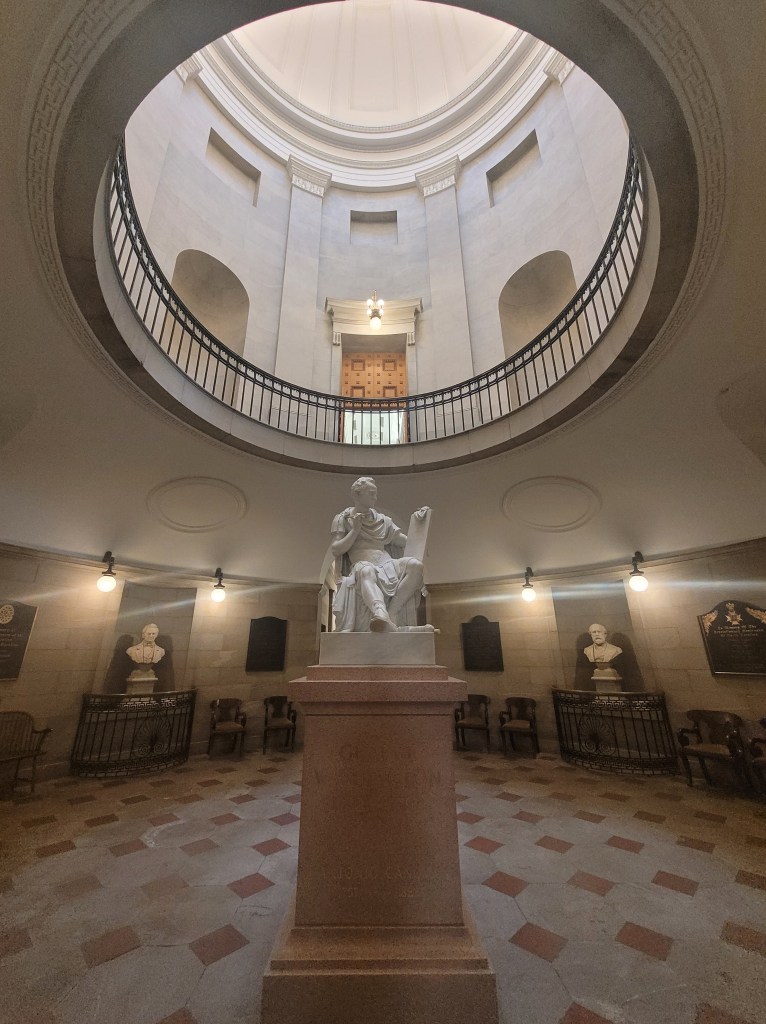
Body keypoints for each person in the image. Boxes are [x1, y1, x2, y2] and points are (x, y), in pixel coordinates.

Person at [331, 477, 429, 632]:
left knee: (415, 566)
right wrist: (355, 531)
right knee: (366, 571)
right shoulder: (343, 518)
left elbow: (402, 540)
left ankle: (392, 613)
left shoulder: (383, 520)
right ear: (357, 494)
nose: (375, 498)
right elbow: (336, 549)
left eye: (375, 493)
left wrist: (420, 524)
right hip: (362, 564)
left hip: (387, 564)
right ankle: (379, 611)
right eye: (371, 493)